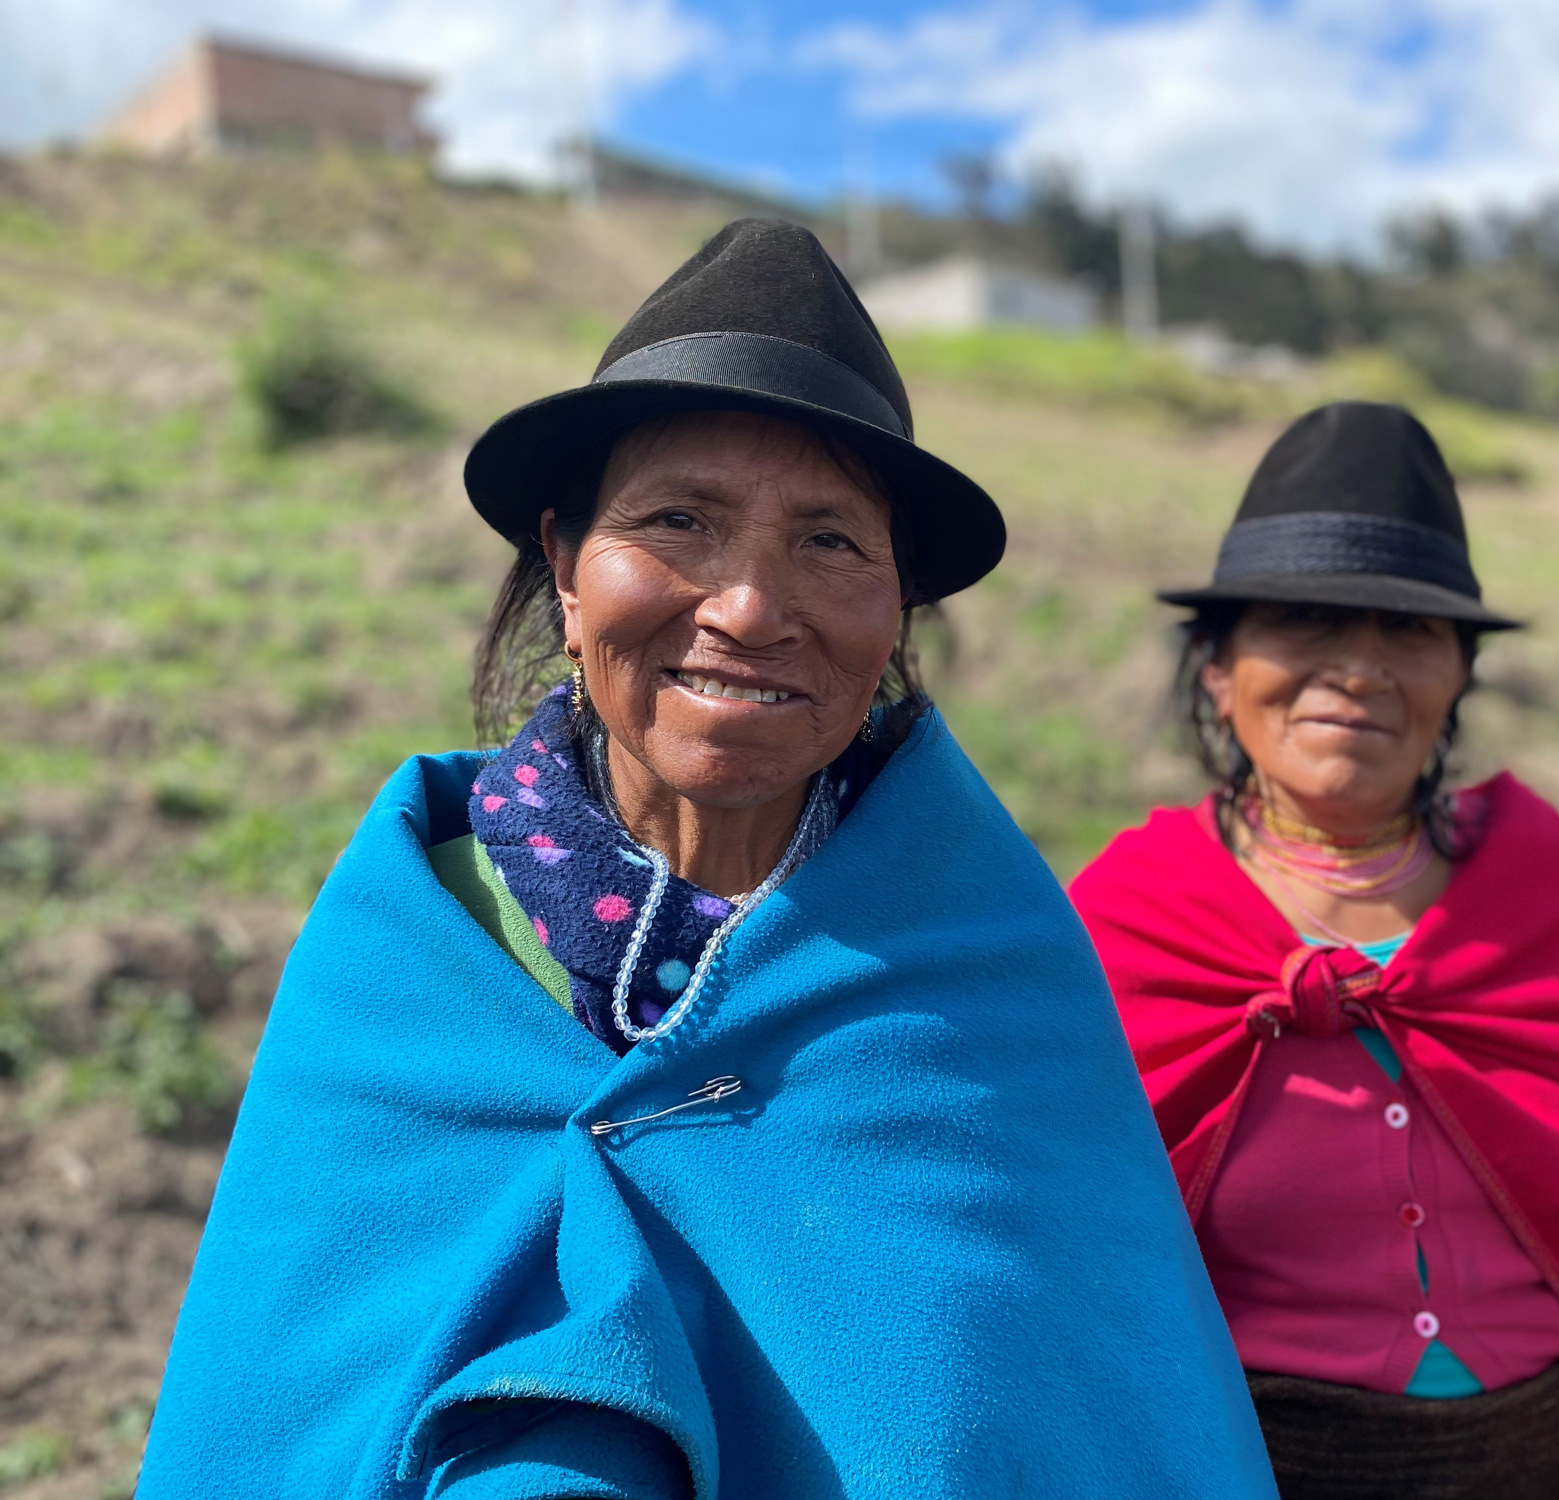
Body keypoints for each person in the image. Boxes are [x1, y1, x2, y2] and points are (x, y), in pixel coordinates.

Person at [139, 221, 1277, 1500]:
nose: (747, 607)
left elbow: (1086, 1414)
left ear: (894, 610)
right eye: (679, 521)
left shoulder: (982, 978)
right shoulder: (412, 947)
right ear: (566, 570)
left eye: (829, 542)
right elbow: (271, 1416)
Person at [1068, 402, 1559, 1500]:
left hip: (1555, 1462)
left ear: (1457, 683)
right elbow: (1056, 1246)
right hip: (1254, 1463)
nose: (1358, 669)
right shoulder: (1130, 913)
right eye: (1304, 620)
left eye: (1407, 632)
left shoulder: (1547, 890)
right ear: (1217, 668)